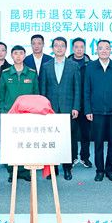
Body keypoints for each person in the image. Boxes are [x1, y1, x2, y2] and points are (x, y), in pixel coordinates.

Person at [39, 37, 81, 180]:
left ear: (66, 48)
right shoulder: (46, 66)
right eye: (56, 45)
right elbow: (43, 90)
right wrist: (43, 108)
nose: (59, 48)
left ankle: (68, 168)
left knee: (68, 140)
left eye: (62, 45)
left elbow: (77, 88)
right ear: (52, 48)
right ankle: (53, 168)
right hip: (50, 110)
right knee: (52, 140)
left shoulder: (73, 65)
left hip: (68, 109)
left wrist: (76, 107)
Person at [84, 39, 112, 182]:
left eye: (107, 48)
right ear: (96, 50)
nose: (104, 51)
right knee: (98, 143)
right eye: (101, 48)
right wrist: (88, 109)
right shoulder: (90, 67)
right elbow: (86, 89)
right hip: (96, 112)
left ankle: (110, 170)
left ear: (111, 50)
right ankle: (100, 170)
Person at [0, 45, 39, 182]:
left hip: (27, 115)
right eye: (15, 53)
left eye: (21, 53)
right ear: (11, 56)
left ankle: (25, 171)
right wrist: (4, 112)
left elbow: (36, 94)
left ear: (25, 55)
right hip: (10, 115)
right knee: (12, 144)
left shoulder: (32, 73)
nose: (18, 56)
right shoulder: (5, 73)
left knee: (26, 143)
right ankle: (12, 171)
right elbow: (1, 95)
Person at [68, 37, 92, 168]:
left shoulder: (91, 64)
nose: (79, 49)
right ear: (72, 48)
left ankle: (85, 157)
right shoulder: (67, 63)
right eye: (76, 47)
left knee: (85, 133)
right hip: (71, 104)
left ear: (85, 48)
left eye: (81, 47)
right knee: (71, 133)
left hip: (86, 103)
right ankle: (72, 157)